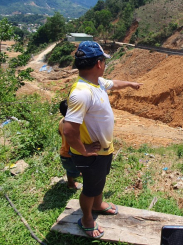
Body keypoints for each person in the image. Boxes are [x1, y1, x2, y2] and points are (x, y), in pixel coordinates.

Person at [63, 41, 142, 239]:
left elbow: (113, 83)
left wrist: (131, 84)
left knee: (99, 180)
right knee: (90, 187)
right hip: (92, 154)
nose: (104, 65)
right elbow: (69, 131)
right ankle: (87, 218)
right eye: (103, 61)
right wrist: (84, 150)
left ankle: (98, 204)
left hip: (102, 151)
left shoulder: (96, 83)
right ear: (99, 63)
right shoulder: (81, 93)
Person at [58, 99, 83, 189]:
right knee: (71, 171)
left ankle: (77, 172)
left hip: (65, 151)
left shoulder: (62, 121)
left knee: (74, 168)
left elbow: (60, 133)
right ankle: (71, 184)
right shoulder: (72, 127)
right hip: (69, 154)